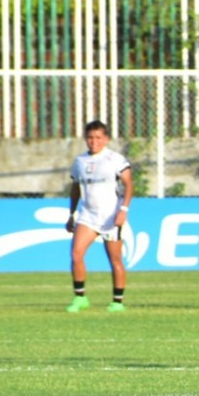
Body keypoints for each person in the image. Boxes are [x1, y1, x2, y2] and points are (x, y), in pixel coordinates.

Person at [64, 120, 133, 313]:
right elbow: (75, 188)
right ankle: (80, 298)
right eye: (90, 138)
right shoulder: (80, 161)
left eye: (98, 138)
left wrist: (123, 210)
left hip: (110, 217)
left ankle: (117, 301)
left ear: (106, 139)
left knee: (115, 260)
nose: (94, 141)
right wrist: (71, 214)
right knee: (76, 254)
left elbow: (128, 184)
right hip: (87, 216)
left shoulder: (115, 159)